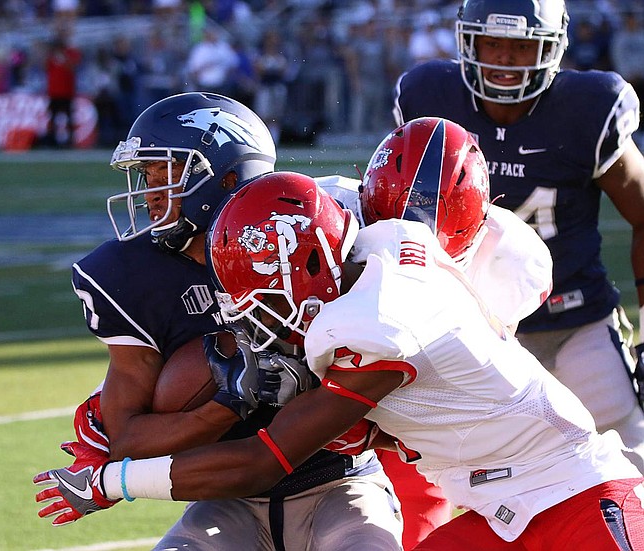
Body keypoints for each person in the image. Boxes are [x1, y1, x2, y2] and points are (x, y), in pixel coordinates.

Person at [35, 170, 644, 551]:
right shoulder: (366, 240)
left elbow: (260, 461)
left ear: (309, 268)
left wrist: (114, 479)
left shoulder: (377, 321)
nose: (252, 315)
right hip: (498, 512)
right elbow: (310, 199)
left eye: (261, 293)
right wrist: (127, 418)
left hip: (580, 494)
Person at [40, 92, 403, 550]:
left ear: (229, 175)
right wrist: (229, 402)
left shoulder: (315, 230)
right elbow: (128, 437)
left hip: (340, 482)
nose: (149, 192)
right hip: (226, 495)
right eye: (145, 174)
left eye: (165, 173)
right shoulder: (130, 274)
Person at [392, 0, 644, 472]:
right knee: (468, 470)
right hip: (466, 328)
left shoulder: (587, 109)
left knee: (625, 458)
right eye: (492, 43)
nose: (504, 59)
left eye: (522, 46)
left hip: (574, 318)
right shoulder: (430, 97)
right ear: (468, 42)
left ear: (552, 47)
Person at [314, 116, 553, 547]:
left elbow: (470, 383)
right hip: (323, 393)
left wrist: (375, 432)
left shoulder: (511, 261)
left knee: (417, 523)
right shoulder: (324, 213)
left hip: (418, 417)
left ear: (479, 224)